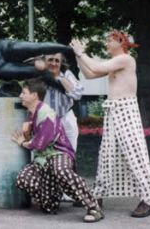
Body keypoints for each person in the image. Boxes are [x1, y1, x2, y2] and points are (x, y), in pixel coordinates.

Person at [70, 30, 150, 217]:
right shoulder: (114, 64)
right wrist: (78, 57)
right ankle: (97, 196)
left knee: (135, 153)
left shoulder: (126, 59)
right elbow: (90, 73)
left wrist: (81, 53)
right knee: (106, 154)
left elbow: (97, 67)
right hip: (113, 111)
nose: (106, 43)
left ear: (120, 41)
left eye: (109, 40)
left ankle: (147, 200)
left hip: (126, 109)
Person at [12, 78, 104, 223]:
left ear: (34, 95)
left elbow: (40, 144)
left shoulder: (46, 113)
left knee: (60, 169)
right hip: (43, 159)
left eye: (24, 93)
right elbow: (37, 141)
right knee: (23, 178)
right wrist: (27, 132)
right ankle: (52, 198)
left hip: (58, 153)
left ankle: (93, 207)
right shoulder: (32, 113)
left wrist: (22, 142)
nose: (20, 96)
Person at [0, 0, 73, 91]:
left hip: (2, 47)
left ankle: (69, 49)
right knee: (37, 71)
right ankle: (66, 91)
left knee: (36, 47)